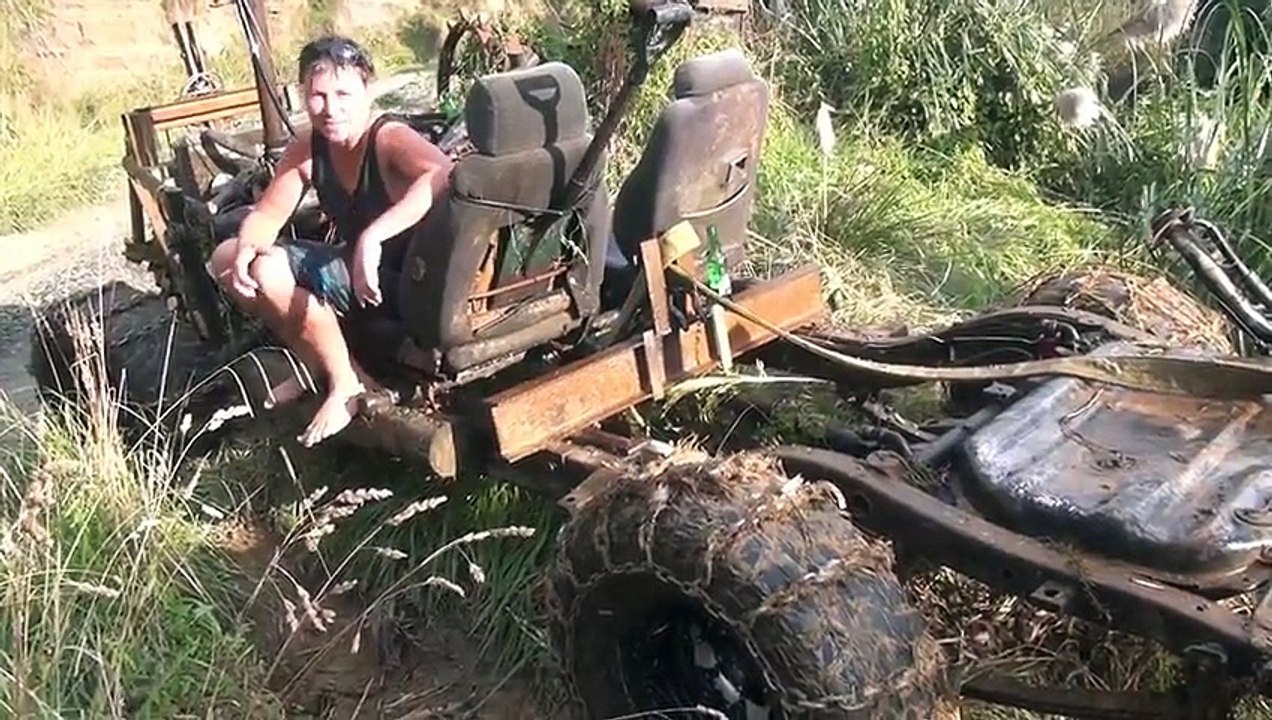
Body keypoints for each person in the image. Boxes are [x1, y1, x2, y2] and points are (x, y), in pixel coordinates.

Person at [209, 35, 453, 447]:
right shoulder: (310, 146)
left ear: (368, 92)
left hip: (401, 281)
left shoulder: (387, 138)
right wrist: (248, 246)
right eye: (318, 96)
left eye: (343, 94)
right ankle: (315, 367)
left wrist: (374, 237)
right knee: (228, 257)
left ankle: (347, 385)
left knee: (270, 270)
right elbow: (269, 212)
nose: (331, 108)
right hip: (354, 273)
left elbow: (442, 174)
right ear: (303, 95)